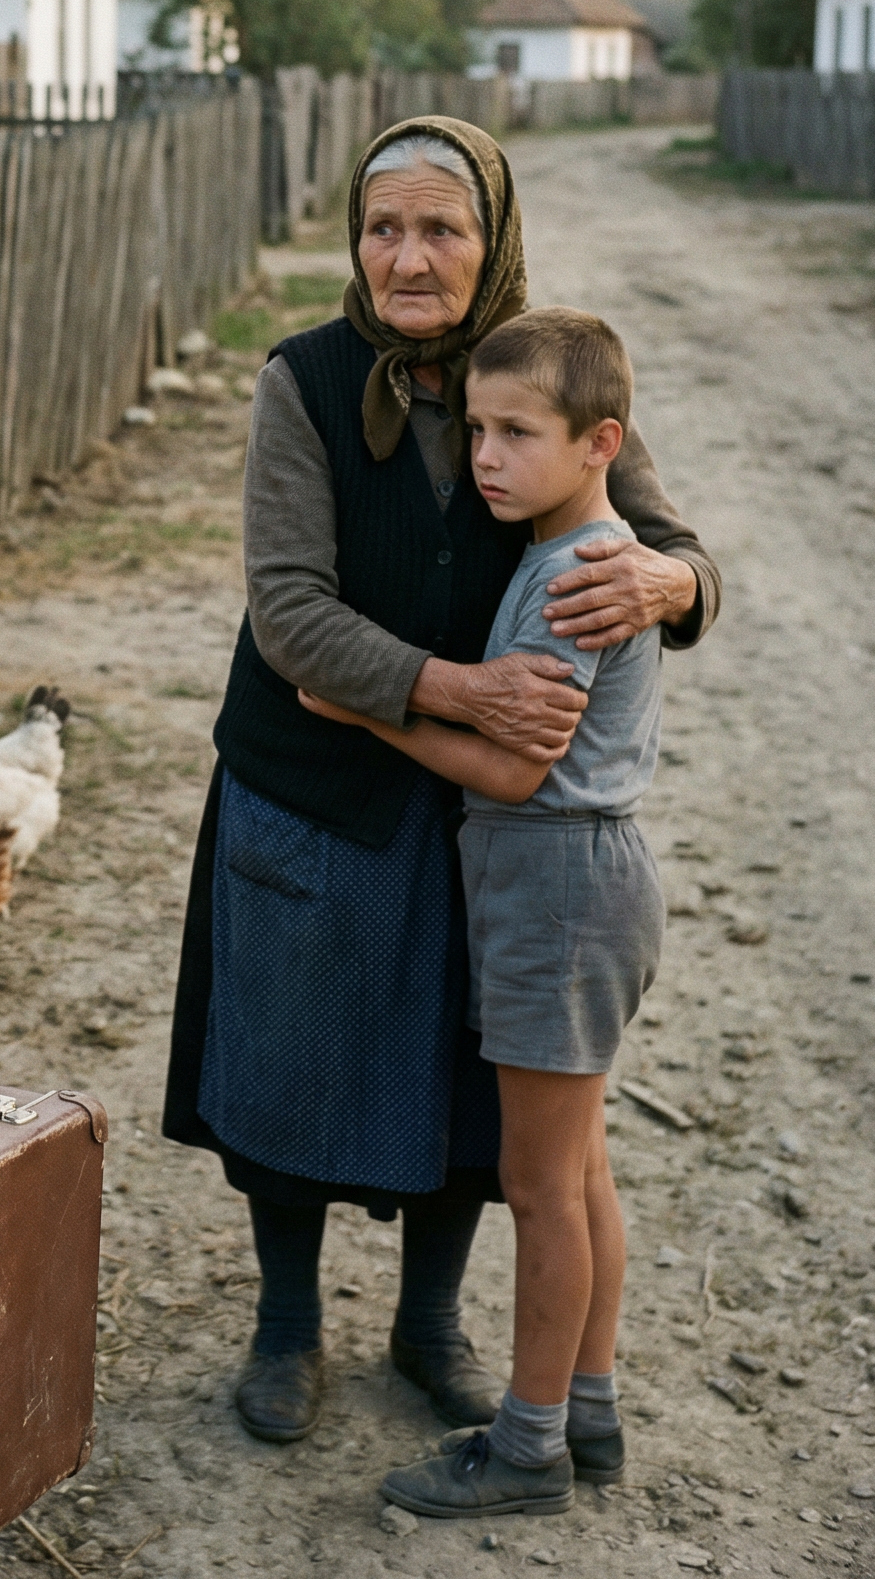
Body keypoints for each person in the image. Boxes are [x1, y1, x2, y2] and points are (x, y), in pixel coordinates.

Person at [161, 117, 719, 1448]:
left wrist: (674, 580)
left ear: (492, 240)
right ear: (355, 243)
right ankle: (287, 1330)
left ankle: (430, 1327)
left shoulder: (537, 364)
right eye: (383, 229)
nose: (409, 258)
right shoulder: (302, 381)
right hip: (310, 777)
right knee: (289, 1053)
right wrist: (459, 686)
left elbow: (670, 540)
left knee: (468, 1074)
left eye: (442, 230)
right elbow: (290, 614)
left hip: (476, 804)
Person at [301, 308, 666, 1517]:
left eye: (517, 432)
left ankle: (526, 1445)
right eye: (475, 429)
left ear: (598, 441)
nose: (484, 457)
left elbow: (514, 768)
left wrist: (360, 710)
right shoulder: (578, 553)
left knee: (539, 1183)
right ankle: (591, 1405)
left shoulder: (571, 578)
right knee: (581, 1166)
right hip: (575, 881)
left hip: (553, 883)